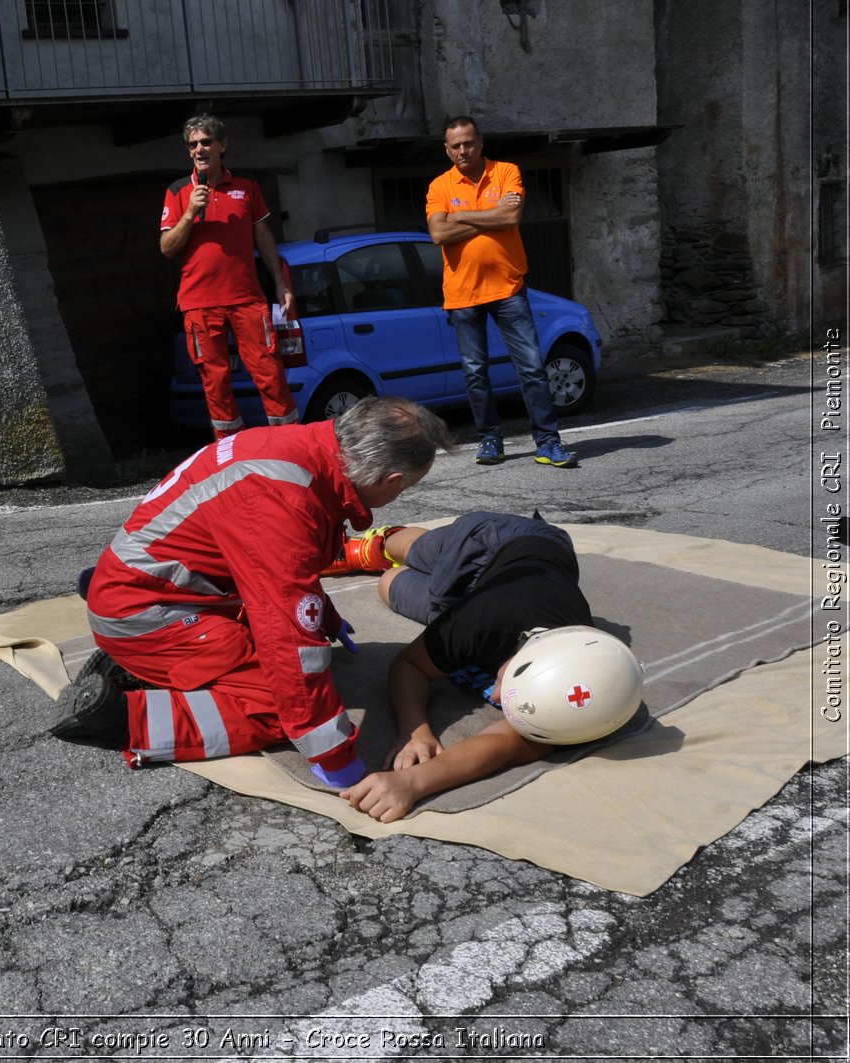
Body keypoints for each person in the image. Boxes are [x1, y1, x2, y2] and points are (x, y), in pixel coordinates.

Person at [49, 397, 454, 787]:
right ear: (390, 479)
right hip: (146, 612)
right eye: (402, 490)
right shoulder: (284, 499)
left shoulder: (304, 449)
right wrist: (335, 756)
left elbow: (277, 569)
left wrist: (322, 614)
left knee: (282, 662)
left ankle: (153, 663)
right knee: (279, 706)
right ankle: (122, 715)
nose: (396, 497)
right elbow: (288, 640)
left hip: (152, 593)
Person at [322, 512, 644, 822]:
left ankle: (390, 562)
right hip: (499, 542)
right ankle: (380, 543)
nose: (501, 697)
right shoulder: (485, 622)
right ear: (524, 659)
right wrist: (413, 729)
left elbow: (505, 746)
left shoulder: (593, 694)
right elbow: (409, 665)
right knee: (417, 552)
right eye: (509, 686)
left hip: (494, 591)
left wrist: (413, 783)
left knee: (390, 584)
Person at [427, 116, 578, 469]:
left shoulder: (506, 171)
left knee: (531, 367)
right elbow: (437, 235)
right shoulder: (439, 186)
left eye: (469, 143)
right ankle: (490, 440)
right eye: (456, 146)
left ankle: (548, 442)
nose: (463, 150)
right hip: (462, 294)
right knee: (476, 371)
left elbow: (511, 219)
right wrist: (489, 215)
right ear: (447, 151)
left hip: (508, 287)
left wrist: (461, 217)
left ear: (480, 143)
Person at [161, 114, 297, 441]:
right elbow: (167, 247)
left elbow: (264, 238)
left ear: (222, 145)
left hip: (247, 298)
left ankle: (289, 443)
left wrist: (280, 284)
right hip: (199, 304)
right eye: (193, 144)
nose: (199, 149)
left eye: (206, 142)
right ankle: (231, 451)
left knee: (270, 373)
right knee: (215, 381)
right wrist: (192, 212)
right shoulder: (179, 191)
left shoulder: (246, 186)